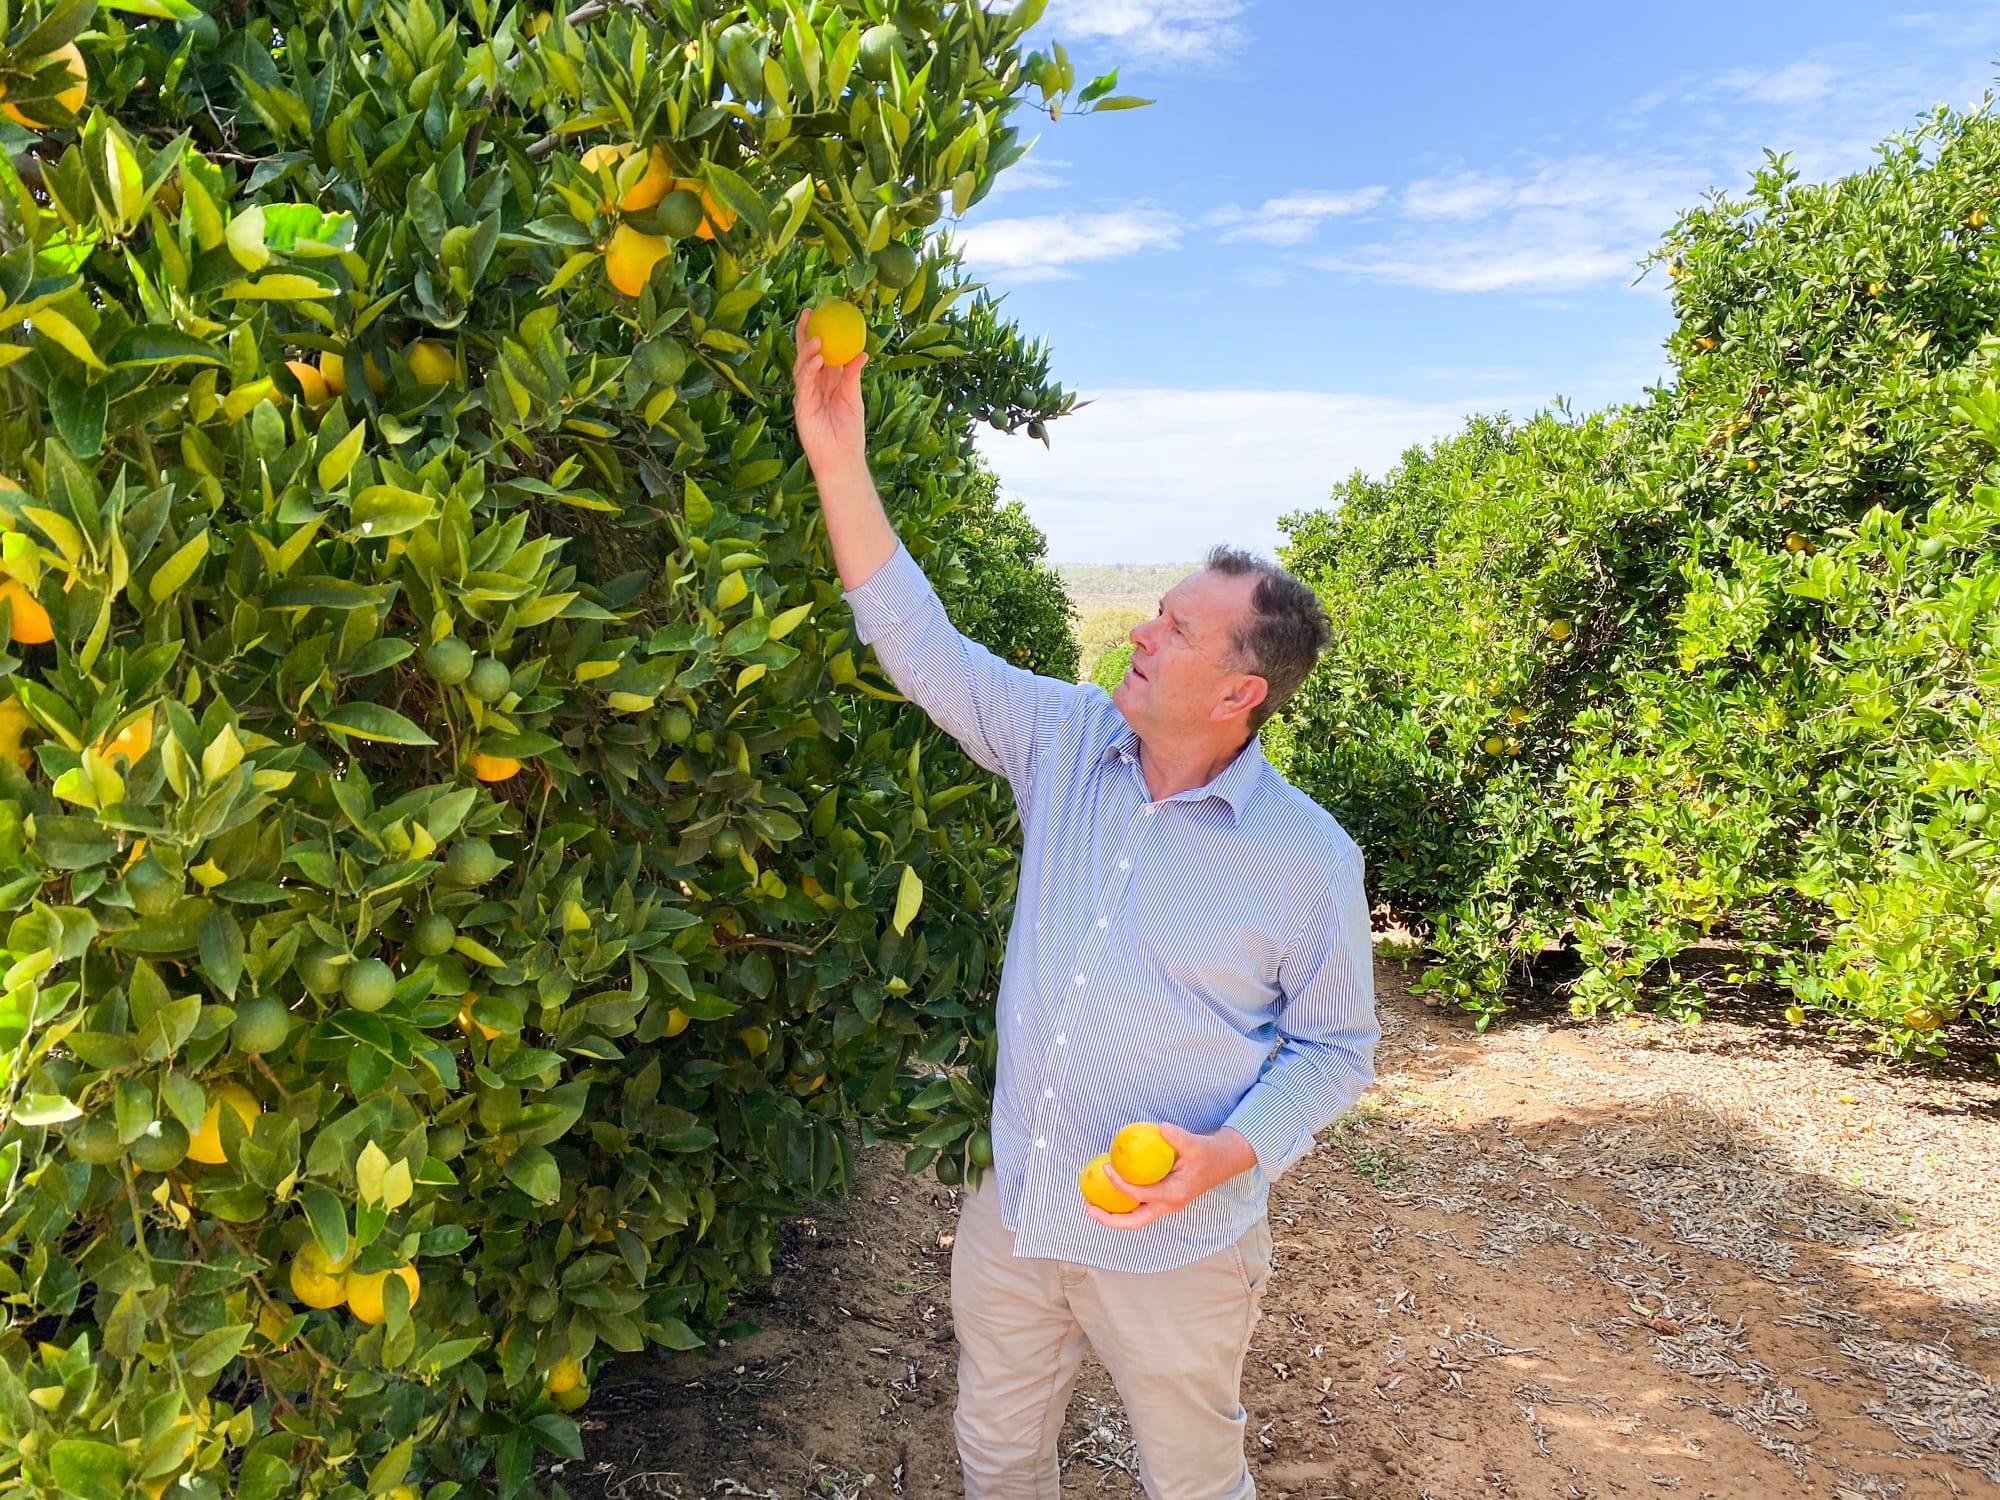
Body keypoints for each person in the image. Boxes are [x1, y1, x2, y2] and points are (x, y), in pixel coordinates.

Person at [790, 310, 1379, 1500]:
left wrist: (1229, 1153)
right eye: (1150, 609)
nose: (1140, 632)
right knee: (999, 1453)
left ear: (1239, 690)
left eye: (1173, 628)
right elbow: (920, 643)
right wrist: (835, 454)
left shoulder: (1303, 858)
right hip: (1019, 1209)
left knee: (1190, 1476)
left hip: (1175, 1246)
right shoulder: (1064, 743)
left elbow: (1334, 1049)